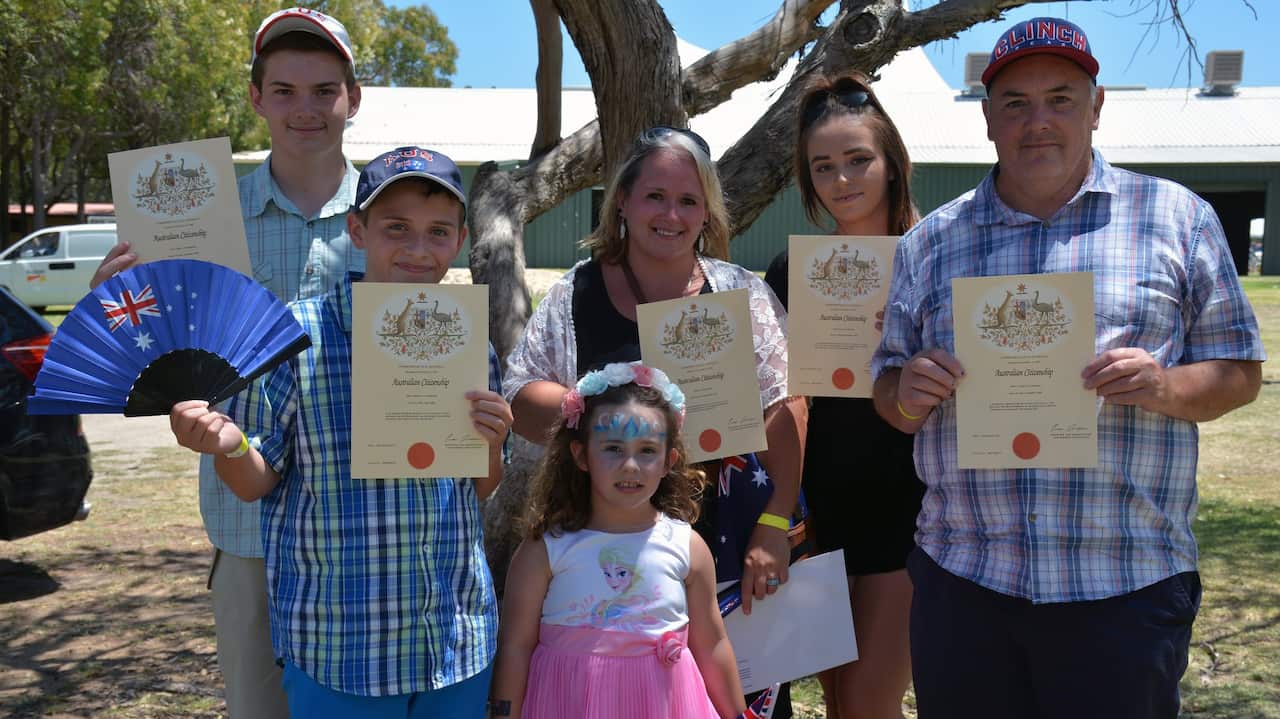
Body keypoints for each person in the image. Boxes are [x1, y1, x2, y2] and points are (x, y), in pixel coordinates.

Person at [870, 17, 1265, 719]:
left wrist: (1166, 385)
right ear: (988, 117)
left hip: (1123, 583)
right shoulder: (931, 243)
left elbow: (1240, 371)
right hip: (967, 583)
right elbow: (889, 392)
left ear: (1097, 105)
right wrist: (909, 392)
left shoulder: (1177, 218)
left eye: (1060, 98)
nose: (1038, 121)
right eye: (1015, 102)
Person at [168, 146, 513, 717]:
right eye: (395, 228)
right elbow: (255, 484)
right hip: (339, 646)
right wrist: (231, 445)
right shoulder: (291, 334)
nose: (416, 249)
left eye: (436, 232)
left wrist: (491, 446)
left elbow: (476, 486)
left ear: (460, 240)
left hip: (452, 640)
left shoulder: (467, 340)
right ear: (357, 230)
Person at [90, 8, 365, 716]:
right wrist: (116, 306)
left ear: (353, 98)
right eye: (284, 90)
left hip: (364, 520)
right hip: (248, 526)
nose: (305, 109)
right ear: (255, 98)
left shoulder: (393, 216)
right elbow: (148, 353)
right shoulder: (204, 217)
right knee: (259, 706)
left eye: (324, 90)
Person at [503, 126, 806, 715]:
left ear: (708, 212)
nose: (671, 214)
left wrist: (774, 524)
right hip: (605, 564)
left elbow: (786, 406)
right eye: (655, 197)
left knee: (736, 698)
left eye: (689, 201)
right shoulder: (578, 292)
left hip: (727, 552)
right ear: (622, 201)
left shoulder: (739, 292)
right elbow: (518, 393)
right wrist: (582, 409)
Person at [762, 72, 921, 719]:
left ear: (891, 161)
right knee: (832, 700)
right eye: (822, 166)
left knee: (864, 706)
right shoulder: (788, 272)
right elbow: (777, 396)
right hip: (819, 513)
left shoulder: (934, 257)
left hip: (910, 513)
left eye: (858, 160)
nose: (842, 180)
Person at [490, 362, 746, 718]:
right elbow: (515, 647)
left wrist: (737, 714)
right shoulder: (545, 551)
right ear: (580, 455)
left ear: (668, 461)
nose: (630, 466)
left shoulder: (687, 547)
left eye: (646, 451)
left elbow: (713, 643)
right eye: (612, 449)